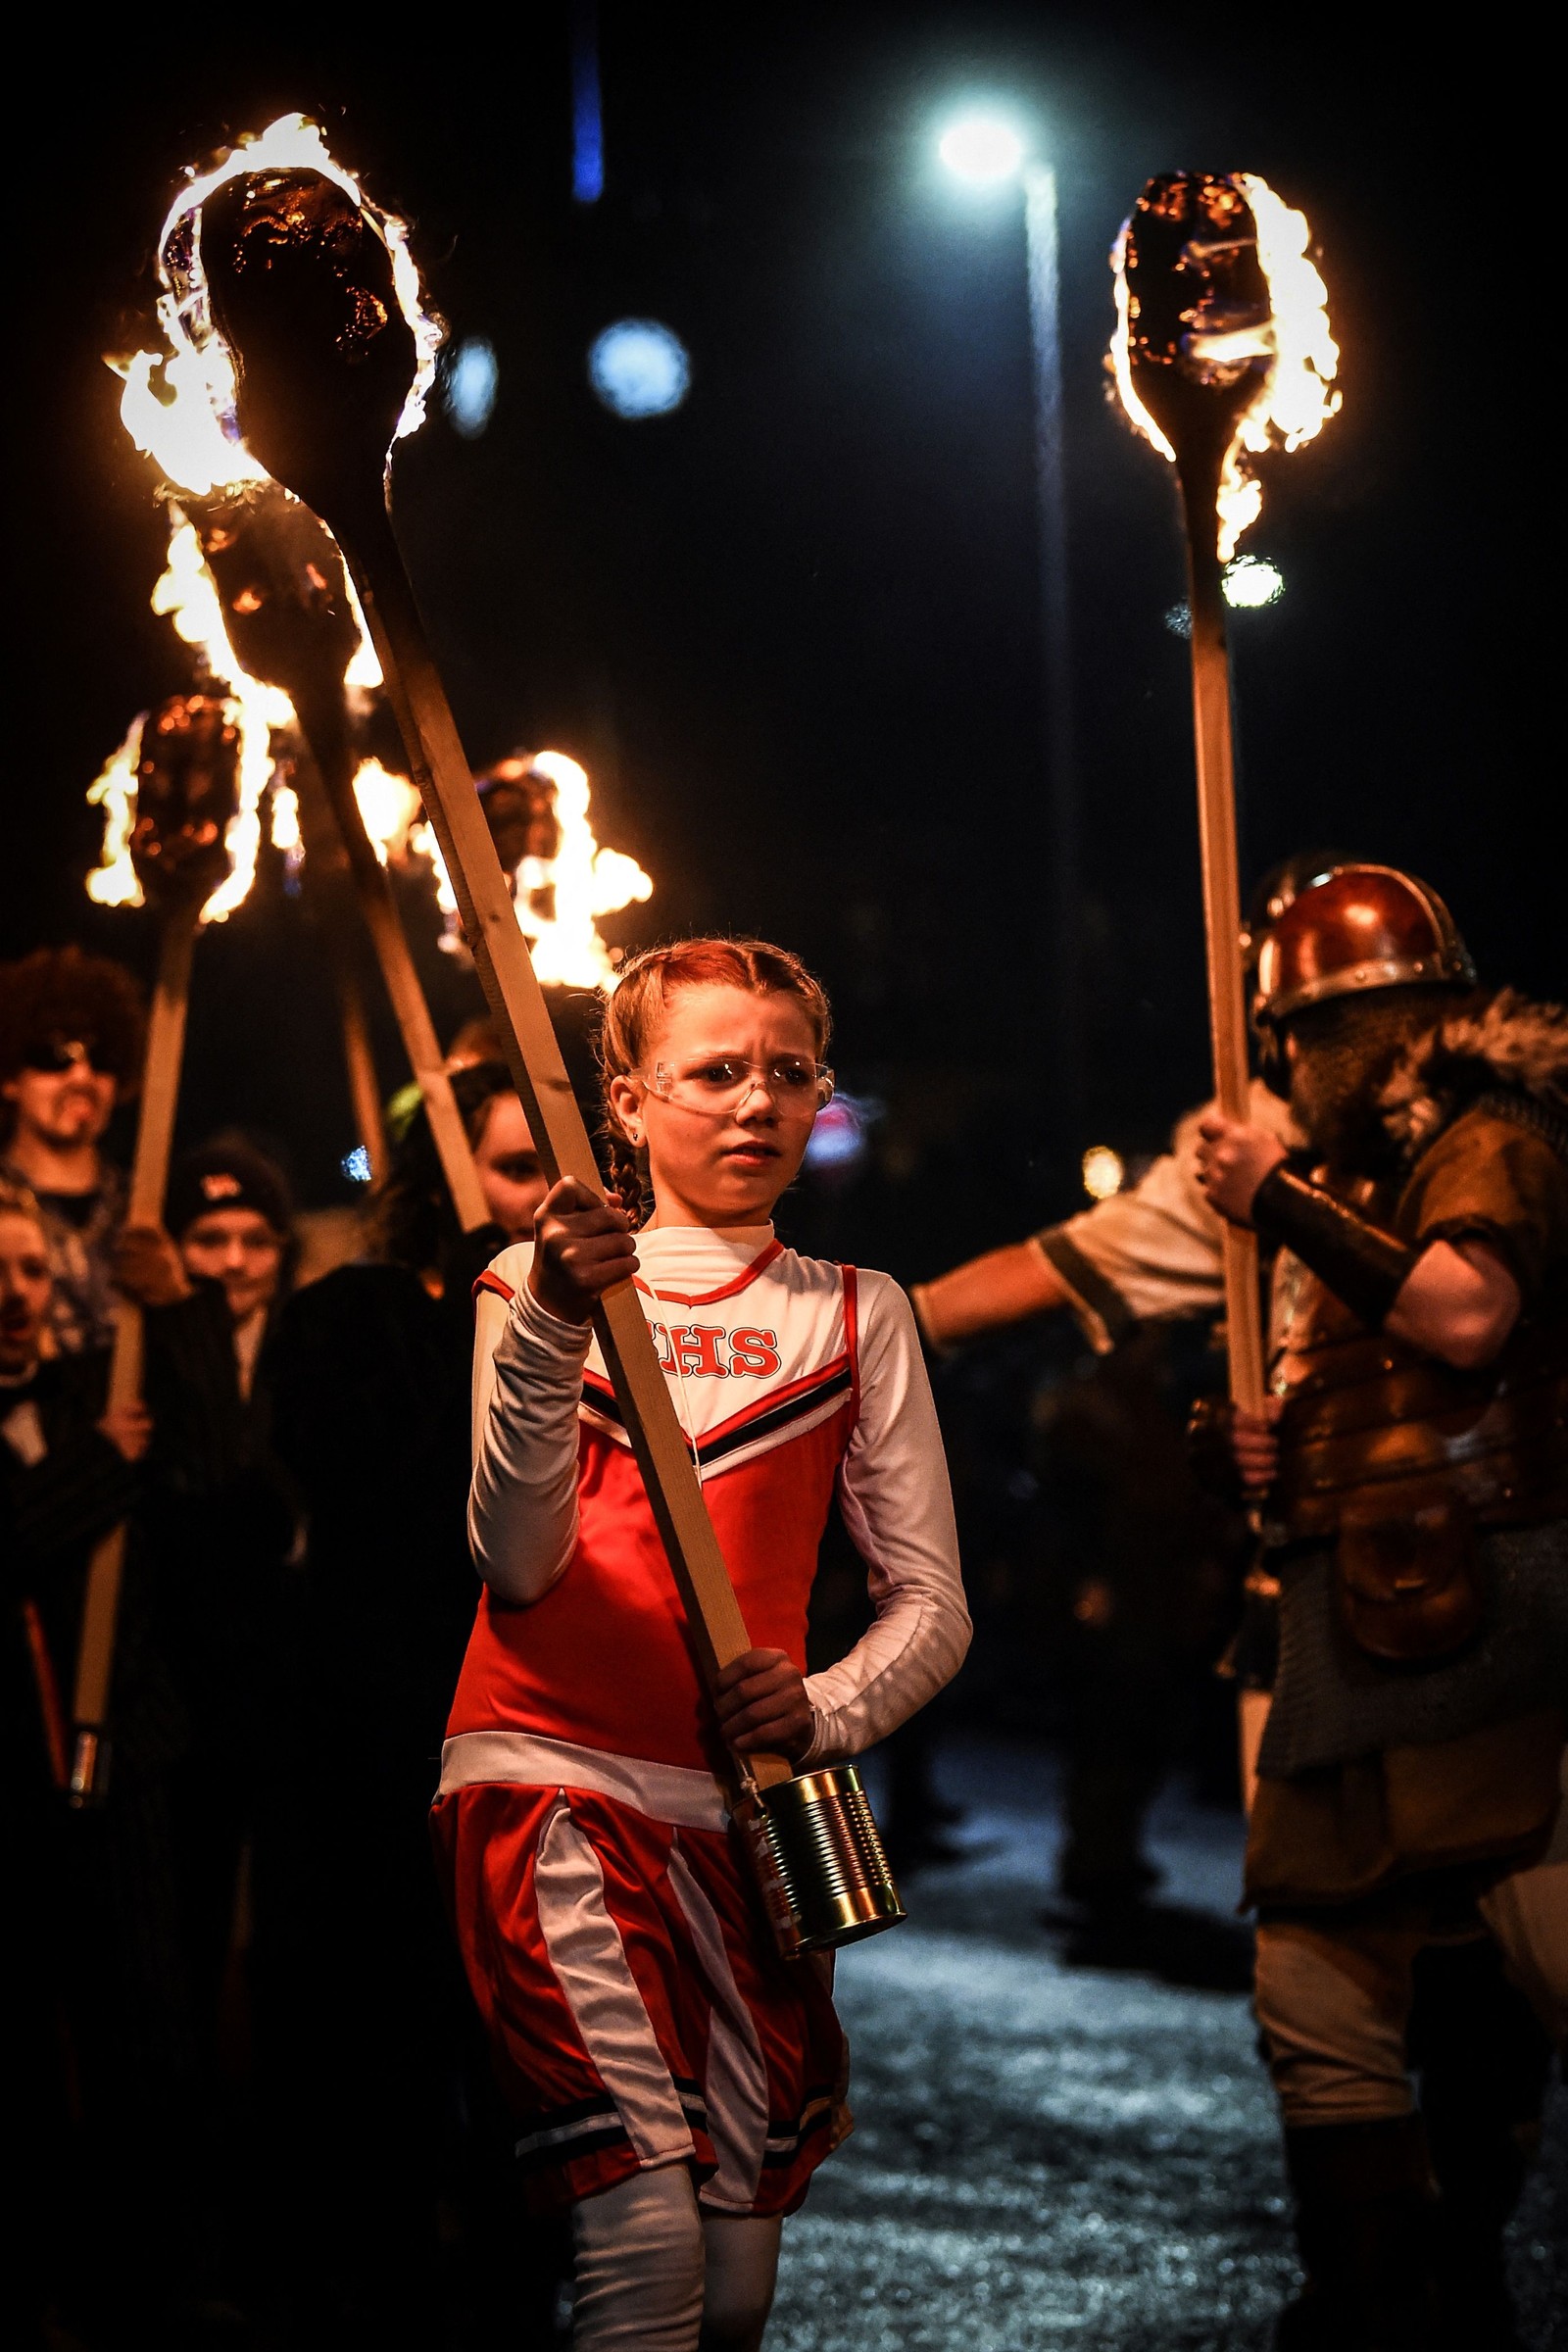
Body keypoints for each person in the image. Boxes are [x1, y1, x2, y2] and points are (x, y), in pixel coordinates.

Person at [434, 937, 971, 2351]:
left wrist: (823, 1709)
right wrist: (556, 1313)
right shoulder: (523, 1284)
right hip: (549, 1781)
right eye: (715, 1072)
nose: (754, 1103)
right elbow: (514, 1557)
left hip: (753, 1824)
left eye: (787, 1073)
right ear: (623, 1102)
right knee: (644, 2242)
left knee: (735, 2288)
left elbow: (931, 1604)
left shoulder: (860, 1312)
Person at [1197, 864, 1568, 2350]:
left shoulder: (1504, 1130)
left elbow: (1467, 1317)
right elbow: (1345, 1400)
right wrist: (1243, 1447)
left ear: (1357, 1032)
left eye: (1294, 1040)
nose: (1283, 1069)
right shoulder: (1345, 1182)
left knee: (1529, 1962)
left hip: (1516, 1634)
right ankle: (1379, 2313)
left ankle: (1459, 2279)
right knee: (1316, 1995)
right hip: (1352, 1639)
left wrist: (1267, 1193)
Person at [264, 1058, 546, 2341]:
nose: (545, 1204)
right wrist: (481, 1312)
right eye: (513, 1172)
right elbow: (376, 1483)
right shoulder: (349, 1317)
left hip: (537, 1736)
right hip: (385, 1731)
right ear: (447, 1179)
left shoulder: (604, 1323)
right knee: (379, 2034)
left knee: (523, 2055)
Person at [0, 945, 145, 1354]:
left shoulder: (147, 1208)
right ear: (9, 1076)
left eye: (100, 1057)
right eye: (54, 1056)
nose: (81, 1076)